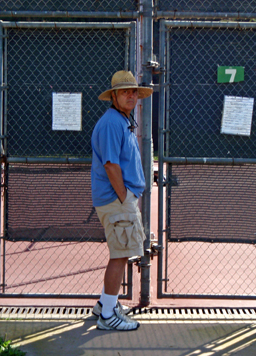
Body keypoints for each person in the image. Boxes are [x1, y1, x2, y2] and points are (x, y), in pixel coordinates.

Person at [90, 70, 153, 331]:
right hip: (117, 200)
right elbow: (111, 165)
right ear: (113, 96)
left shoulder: (121, 120)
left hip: (119, 199)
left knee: (121, 252)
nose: (131, 95)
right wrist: (125, 197)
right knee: (120, 254)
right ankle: (107, 316)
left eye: (134, 91)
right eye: (125, 91)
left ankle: (106, 303)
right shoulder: (112, 123)